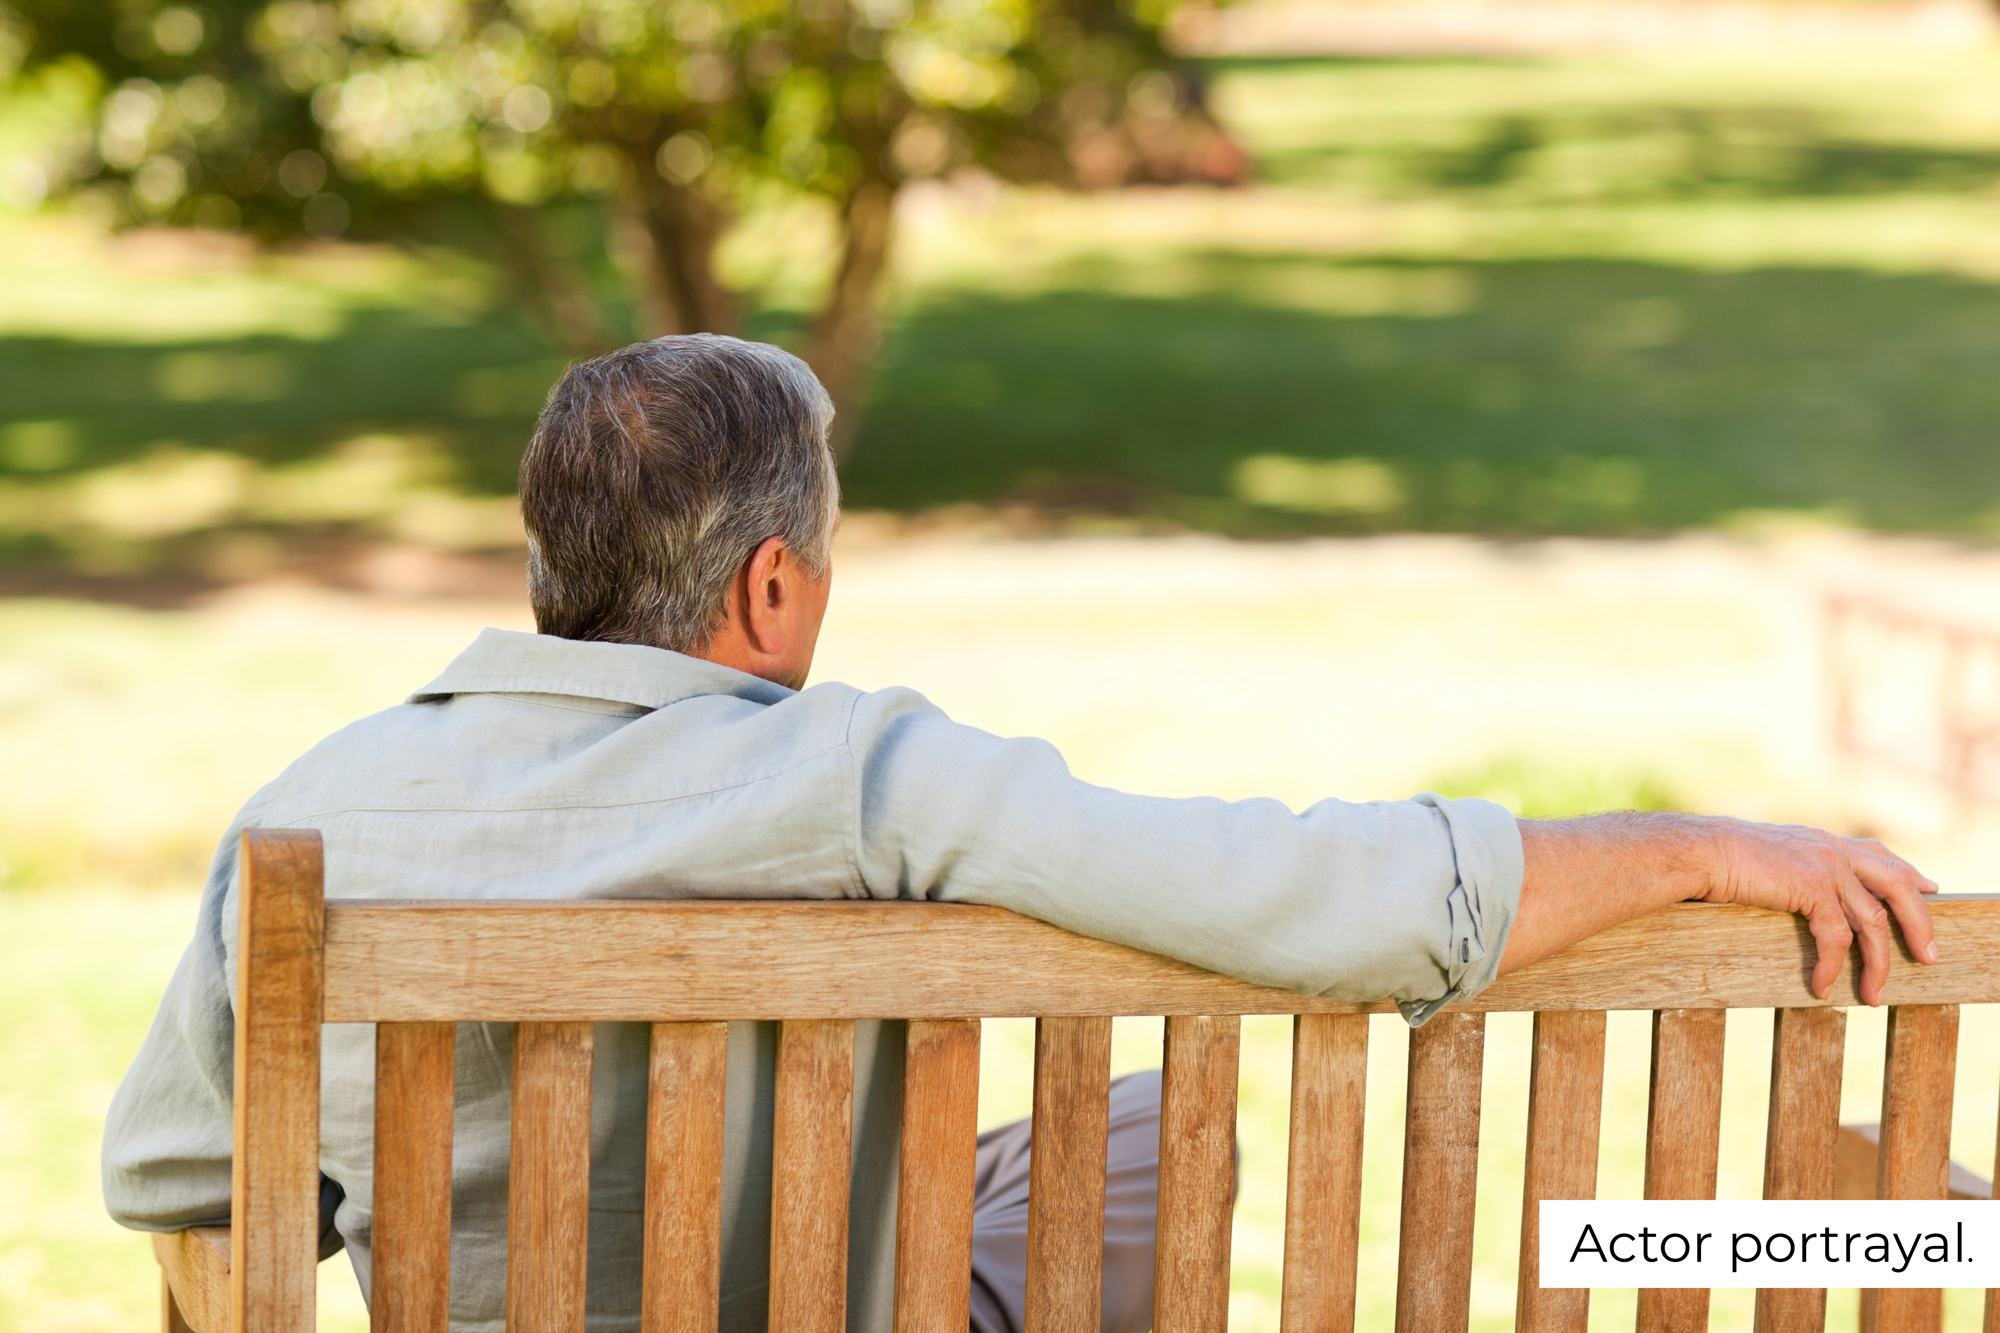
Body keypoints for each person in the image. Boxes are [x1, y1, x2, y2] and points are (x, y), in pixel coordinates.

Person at [103, 334, 1938, 1333]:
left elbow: (180, 1184)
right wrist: (1694, 839)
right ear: (768, 587)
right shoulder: (856, 773)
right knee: (1132, 1121)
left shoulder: (312, 809)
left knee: (1033, 1144)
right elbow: (1309, 904)